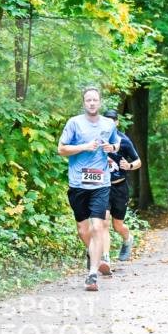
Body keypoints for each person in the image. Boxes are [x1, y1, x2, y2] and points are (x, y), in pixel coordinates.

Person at [58, 87, 120, 291]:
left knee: (98, 227)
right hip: (78, 183)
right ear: (84, 103)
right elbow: (61, 149)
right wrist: (84, 146)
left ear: (100, 102)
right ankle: (93, 252)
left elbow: (115, 144)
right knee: (83, 230)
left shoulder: (108, 124)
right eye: (88, 100)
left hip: (101, 184)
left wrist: (112, 148)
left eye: (95, 100)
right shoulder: (74, 123)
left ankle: (92, 275)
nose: (92, 103)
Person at [103, 110, 142, 263]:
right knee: (104, 222)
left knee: (117, 225)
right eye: (106, 120)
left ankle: (127, 239)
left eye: (112, 120)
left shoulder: (124, 140)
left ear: (117, 122)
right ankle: (105, 258)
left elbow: (138, 161)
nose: (109, 123)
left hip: (120, 187)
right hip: (103, 187)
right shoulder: (98, 139)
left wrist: (129, 165)